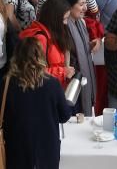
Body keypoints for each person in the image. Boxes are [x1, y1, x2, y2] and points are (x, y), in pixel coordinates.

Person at [1, 37, 72, 169]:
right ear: (41, 56)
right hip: (47, 152)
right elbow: (65, 116)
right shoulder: (52, 83)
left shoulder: (6, 84)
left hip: (16, 150)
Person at [59, 0, 98, 115]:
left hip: (81, 81)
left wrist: (91, 45)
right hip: (71, 85)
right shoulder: (63, 27)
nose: (85, 8)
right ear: (69, 6)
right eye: (81, 5)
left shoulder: (80, 22)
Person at [20, 0, 74, 88]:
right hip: (45, 91)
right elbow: (32, 72)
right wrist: (63, 72)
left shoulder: (52, 34)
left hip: (53, 88)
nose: (65, 23)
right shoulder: (40, 38)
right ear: (54, 19)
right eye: (64, 19)